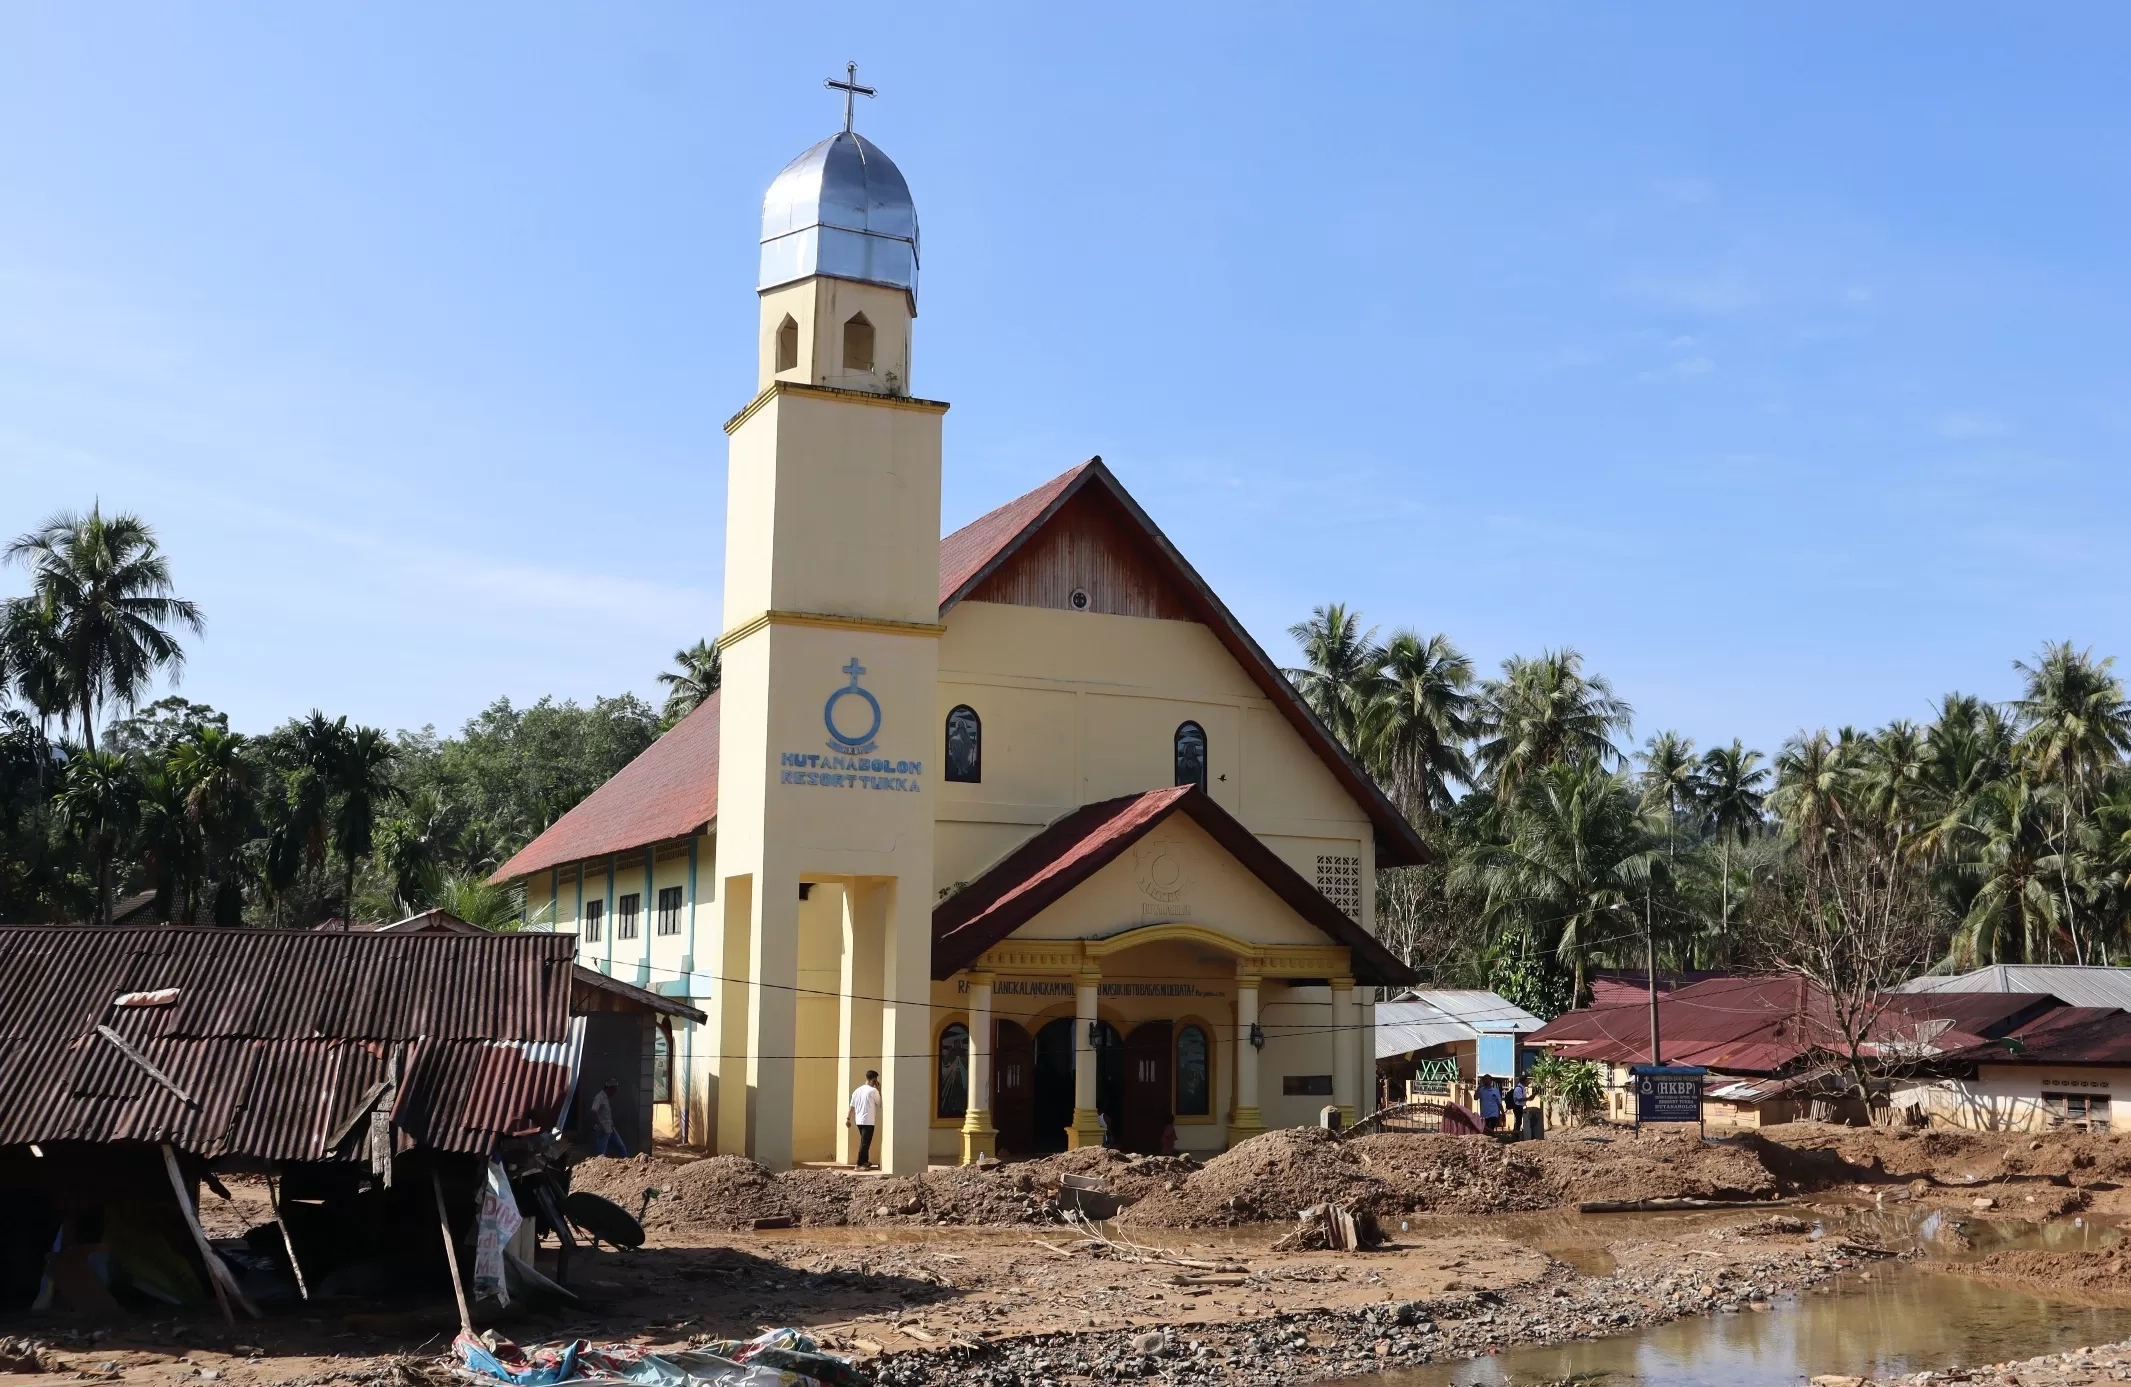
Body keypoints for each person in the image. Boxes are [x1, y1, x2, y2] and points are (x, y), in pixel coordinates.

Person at [848, 1070, 881, 1169]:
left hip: (859, 1120)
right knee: (865, 1142)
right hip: (868, 1121)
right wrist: (879, 1090)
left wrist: (848, 1118)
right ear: (874, 1080)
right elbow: (879, 1103)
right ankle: (859, 1164)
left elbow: (851, 1106)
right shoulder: (873, 1091)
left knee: (864, 1141)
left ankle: (865, 1161)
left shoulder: (857, 1091)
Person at [588, 1078, 628, 1157]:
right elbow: (593, 1111)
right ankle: (598, 1167)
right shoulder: (599, 1097)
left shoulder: (606, 1098)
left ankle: (628, 1166)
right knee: (601, 1153)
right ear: (610, 1088)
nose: (614, 1093)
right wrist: (600, 1126)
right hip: (603, 1130)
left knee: (622, 1149)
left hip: (610, 1128)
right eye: (614, 1090)